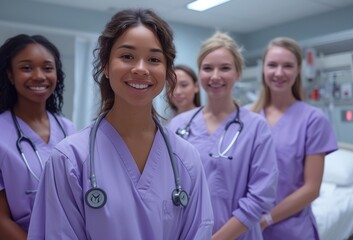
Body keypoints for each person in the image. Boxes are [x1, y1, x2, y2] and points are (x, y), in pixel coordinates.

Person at [27, 8, 214, 240]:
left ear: (166, 71)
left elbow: (199, 232)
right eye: (127, 56)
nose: (141, 68)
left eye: (154, 59)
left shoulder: (186, 159)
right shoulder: (69, 159)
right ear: (105, 66)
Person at [168, 31, 278, 240]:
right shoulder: (178, 126)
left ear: (238, 73)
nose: (215, 76)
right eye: (207, 68)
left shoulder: (256, 128)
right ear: (199, 73)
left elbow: (260, 196)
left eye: (225, 68)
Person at [250, 37, 338, 239]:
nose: (279, 73)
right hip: (248, 227)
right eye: (272, 65)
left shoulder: (313, 120)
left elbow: (311, 189)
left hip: (292, 230)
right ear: (263, 69)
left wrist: (266, 220)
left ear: (298, 69)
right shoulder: (247, 117)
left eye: (287, 66)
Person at [0, 34, 76, 239]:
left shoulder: (69, 130)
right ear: (10, 75)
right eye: (26, 68)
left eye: (47, 68)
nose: (39, 76)